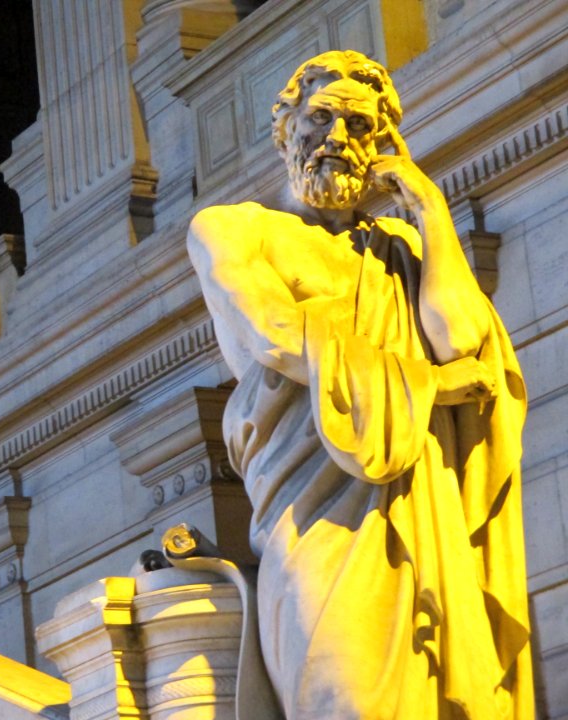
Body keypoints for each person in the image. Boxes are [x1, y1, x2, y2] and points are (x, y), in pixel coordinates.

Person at [186, 50, 533, 719]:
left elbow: (462, 340)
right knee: (340, 694)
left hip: (413, 507)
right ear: (285, 128)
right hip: (310, 511)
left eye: (358, 126)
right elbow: (275, 336)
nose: (338, 140)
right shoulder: (236, 230)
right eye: (320, 119)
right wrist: (429, 388)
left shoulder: (400, 247)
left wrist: (428, 206)